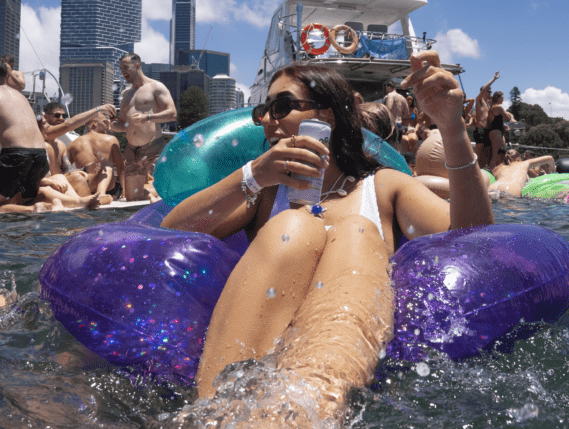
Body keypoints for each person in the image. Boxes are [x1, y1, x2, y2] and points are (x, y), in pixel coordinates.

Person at [161, 51, 494, 400]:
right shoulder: (263, 193)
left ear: (327, 116)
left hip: (344, 367)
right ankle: (222, 417)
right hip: (256, 359)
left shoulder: (382, 188)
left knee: (356, 232)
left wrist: (451, 126)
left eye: (282, 106)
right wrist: (253, 174)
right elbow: (169, 237)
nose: (267, 121)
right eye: (263, 111)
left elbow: (473, 244)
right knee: (294, 228)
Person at [111, 53, 177, 201]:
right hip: (132, 150)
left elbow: (172, 114)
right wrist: (110, 124)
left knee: (169, 190)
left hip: (154, 147)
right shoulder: (125, 94)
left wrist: (147, 117)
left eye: (126, 68)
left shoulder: (156, 87)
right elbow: (122, 125)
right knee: (132, 198)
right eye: (121, 69)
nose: (123, 72)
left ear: (137, 66)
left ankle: (156, 196)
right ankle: (151, 195)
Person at [0, 60, 49, 208]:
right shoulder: (20, 96)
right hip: (40, 155)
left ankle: (34, 210)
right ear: (7, 75)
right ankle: (36, 209)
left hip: (17, 155)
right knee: (20, 201)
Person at [67, 111, 125, 198]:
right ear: (94, 123)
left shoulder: (73, 144)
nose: (107, 125)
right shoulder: (111, 139)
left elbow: (65, 170)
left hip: (85, 186)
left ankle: (99, 195)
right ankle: (101, 194)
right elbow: (120, 168)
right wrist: (124, 189)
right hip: (109, 188)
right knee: (107, 166)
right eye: (105, 122)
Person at [489, 148, 556, 196]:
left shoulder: (498, 168)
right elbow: (550, 158)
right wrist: (552, 170)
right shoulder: (524, 163)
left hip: (492, 188)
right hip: (510, 189)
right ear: (518, 159)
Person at [473, 71, 500, 168]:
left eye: (491, 91)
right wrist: (494, 79)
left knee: (486, 156)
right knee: (478, 156)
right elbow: (484, 88)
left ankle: (482, 173)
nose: (491, 93)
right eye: (489, 91)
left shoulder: (488, 105)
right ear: (483, 92)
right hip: (480, 130)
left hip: (488, 131)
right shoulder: (479, 101)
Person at [487, 91, 514, 171]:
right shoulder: (498, 107)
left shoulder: (491, 109)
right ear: (497, 98)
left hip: (494, 132)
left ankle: (496, 170)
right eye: (502, 98)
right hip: (497, 132)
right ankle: (491, 172)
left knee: (498, 154)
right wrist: (512, 118)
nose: (503, 99)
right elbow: (507, 117)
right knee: (496, 155)